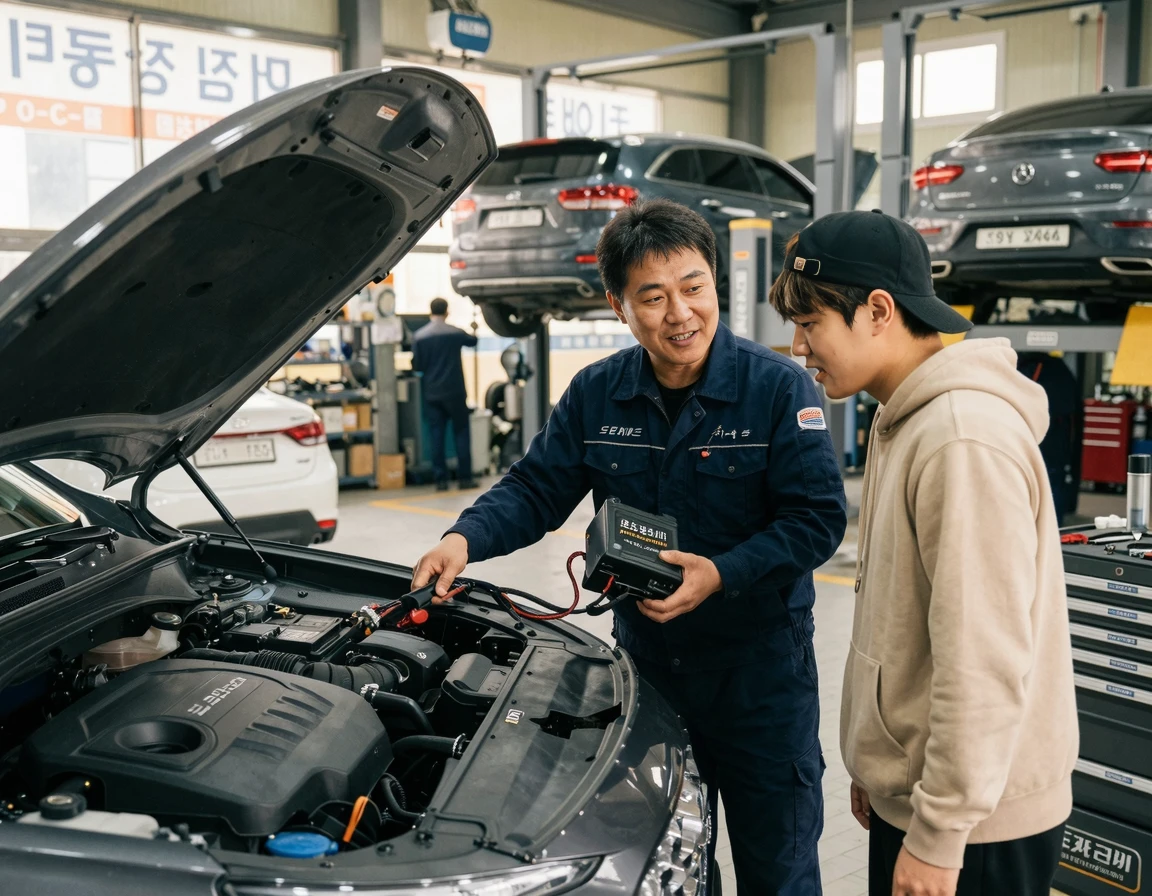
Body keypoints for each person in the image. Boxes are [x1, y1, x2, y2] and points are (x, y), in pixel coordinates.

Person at [412, 198, 846, 894]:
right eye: (653, 296)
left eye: (694, 287)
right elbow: (534, 489)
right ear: (619, 305)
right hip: (651, 680)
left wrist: (721, 574)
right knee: (670, 861)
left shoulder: (776, 388)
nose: (680, 313)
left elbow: (817, 519)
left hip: (760, 681)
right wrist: (464, 538)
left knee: (780, 866)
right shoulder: (597, 394)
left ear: (715, 284)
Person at [769, 209, 1078, 896]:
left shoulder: (960, 438)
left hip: (979, 829)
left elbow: (983, 660)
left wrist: (938, 830)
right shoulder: (906, 417)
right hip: (934, 799)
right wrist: (887, 778)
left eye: (811, 322)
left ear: (878, 310)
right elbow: (906, 624)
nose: (797, 346)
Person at [411, 298, 479, 490]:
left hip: (432, 393)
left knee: (436, 435)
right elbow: (473, 341)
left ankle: (441, 480)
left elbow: (417, 366)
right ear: (447, 312)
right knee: (461, 432)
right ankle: (465, 478)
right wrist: (474, 328)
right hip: (455, 392)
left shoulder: (419, 336)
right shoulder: (455, 332)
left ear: (430, 312)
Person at [1016, 352, 1082, 525]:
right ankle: (1052, 527)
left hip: (1035, 442)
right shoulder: (1058, 369)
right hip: (1055, 444)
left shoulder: (1026, 370)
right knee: (1052, 486)